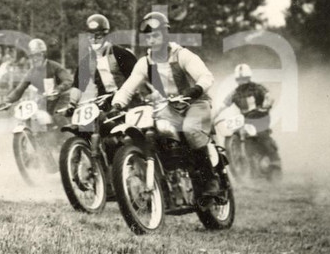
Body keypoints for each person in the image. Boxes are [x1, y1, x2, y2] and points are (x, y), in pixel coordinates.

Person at [111, 10, 220, 200]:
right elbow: (129, 86)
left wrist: (195, 90)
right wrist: (118, 103)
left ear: (166, 34)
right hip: (168, 107)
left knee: (191, 131)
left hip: (195, 103)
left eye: (156, 35)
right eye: (149, 36)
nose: (152, 39)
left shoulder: (182, 55)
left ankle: (209, 178)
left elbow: (206, 76)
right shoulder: (145, 63)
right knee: (151, 132)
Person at [218, 63, 281, 167]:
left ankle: (274, 162)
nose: (242, 81)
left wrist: (265, 106)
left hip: (260, 118)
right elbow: (222, 106)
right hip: (245, 120)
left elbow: (269, 97)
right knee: (236, 132)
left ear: (249, 77)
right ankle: (240, 160)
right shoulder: (235, 93)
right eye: (239, 79)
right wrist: (213, 116)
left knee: (263, 138)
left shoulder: (258, 88)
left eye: (244, 78)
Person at [0, 38, 73, 127]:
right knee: (33, 118)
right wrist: (7, 101)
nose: (35, 59)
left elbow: (68, 80)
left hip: (62, 98)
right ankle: (39, 138)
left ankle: (68, 137)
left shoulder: (55, 67)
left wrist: (58, 89)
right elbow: (19, 89)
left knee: (58, 116)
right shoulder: (31, 73)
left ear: (44, 55)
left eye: (38, 55)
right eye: (32, 56)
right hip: (45, 100)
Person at [68, 13, 137, 107]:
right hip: (104, 102)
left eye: (98, 36)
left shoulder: (120, 53)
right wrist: (72, 103)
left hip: (127, 99)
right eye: (90, 36)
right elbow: (78, 85)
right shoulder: (87, 60)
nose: (94, 40)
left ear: (106, 35)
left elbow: (136, 78)